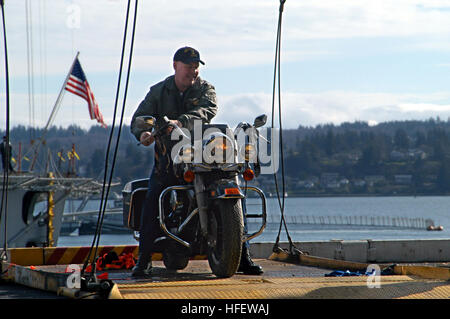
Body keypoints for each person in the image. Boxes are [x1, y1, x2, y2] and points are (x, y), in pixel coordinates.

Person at [130, 46, 263, 277]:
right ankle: (143, 260)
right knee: (153, 197)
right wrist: (142, 132)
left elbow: (207, 110)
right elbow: (142, 117)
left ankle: (243, 255)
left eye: (196, 67)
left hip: (206, 158)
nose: (193, 71)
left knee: (236, 195)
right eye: (189, 66)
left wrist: (181, 122)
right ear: (175, 66)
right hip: (170, 160)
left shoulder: (205, 88)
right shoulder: (159, 91)